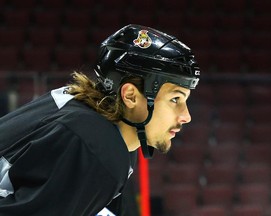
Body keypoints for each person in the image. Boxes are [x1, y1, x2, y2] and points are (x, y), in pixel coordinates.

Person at [0, 24, 200, 215]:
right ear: (130, 95)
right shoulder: (97, 148)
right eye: (175, 99)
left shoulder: (87, 115)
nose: (186, 117)